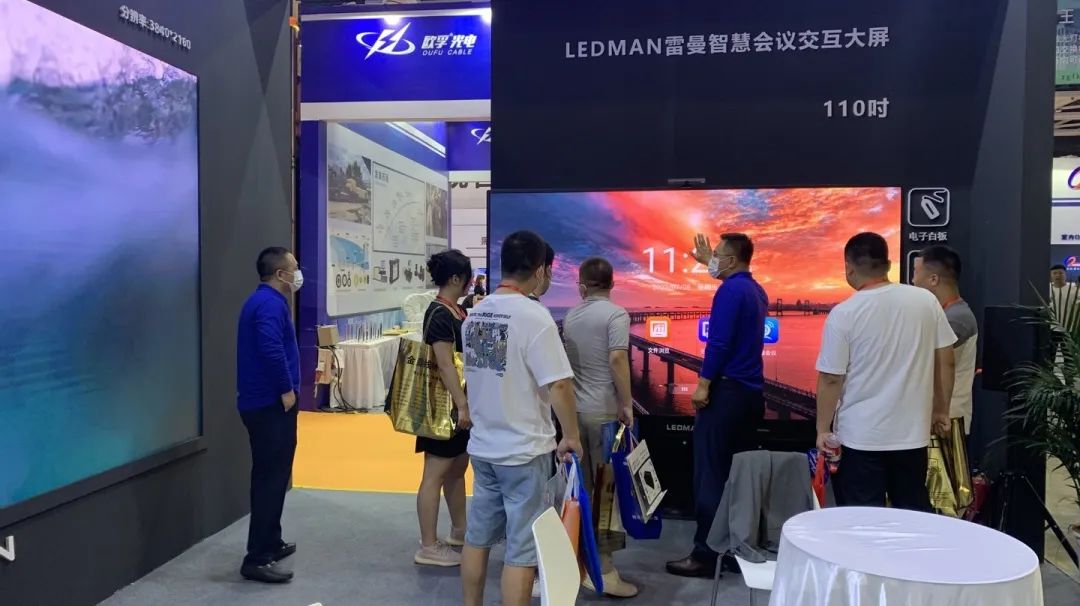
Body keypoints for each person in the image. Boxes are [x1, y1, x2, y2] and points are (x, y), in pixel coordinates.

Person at [460, 231, 582, 606]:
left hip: (483, 447)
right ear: (541, 270)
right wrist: (571, 436)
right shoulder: (534, 317)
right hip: (525, 450)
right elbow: (559, 384)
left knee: (477, 538)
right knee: (523, 549)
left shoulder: (475, 314)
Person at [815, 233, 955, 511]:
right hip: (912, 436)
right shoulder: (925, 302)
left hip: (860, 438)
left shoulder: (844, 313)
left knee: (862, 519)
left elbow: (831, 378)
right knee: (911, 515)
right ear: (889, 265)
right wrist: (941, 410)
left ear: (848, 268)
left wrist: (822, 429)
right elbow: (946, 361)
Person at [667, 233, 768, 579]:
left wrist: (704, 383)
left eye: (718, 255)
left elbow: (719, 342)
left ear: (733, 260)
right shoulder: (756, 291)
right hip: (750, 396)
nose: (713, 260)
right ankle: (735, 551)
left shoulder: (729, 292)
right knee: (737, 478)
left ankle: (705, 555)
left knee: (710, 476)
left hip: (725, 394)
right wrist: (706, 261)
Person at [562, 257, 639, 598]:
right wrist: (627, 403)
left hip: (575, 416)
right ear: (612, 283)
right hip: (605, 415)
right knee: (606, 497)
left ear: (582, 285)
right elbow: (617, 358)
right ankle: (604, 572)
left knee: (582, 493)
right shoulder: (616, 315)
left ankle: (581, 564)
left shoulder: (571, 316)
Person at [236, 247, 302, 584]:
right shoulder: (268, 305)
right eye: (294, 267)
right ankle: (257, 558)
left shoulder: (266, 301)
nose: (297, 273)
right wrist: (286, 388)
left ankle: (271, 541)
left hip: (267, 403)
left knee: (275, 476)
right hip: (269, 404)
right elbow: (271, 348)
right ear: (280, 274)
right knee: (269, 479)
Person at [413, 250, 473, 567]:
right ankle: (428, 545)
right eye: (468, 277)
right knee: (434, 474)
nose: (471, 283)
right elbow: (445, 364)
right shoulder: (439, 314)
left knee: (457, 469)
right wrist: (462, 405)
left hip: (459, 404)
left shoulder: (456, 311)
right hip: (443, 407)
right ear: (455, 279)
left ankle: (459, 530)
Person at [913, 246, 979, 434]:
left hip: (947, 420)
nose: (913, 280)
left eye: (915, 272)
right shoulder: (947, 314)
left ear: (934, 279)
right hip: (938, 418)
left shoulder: (956, 318)